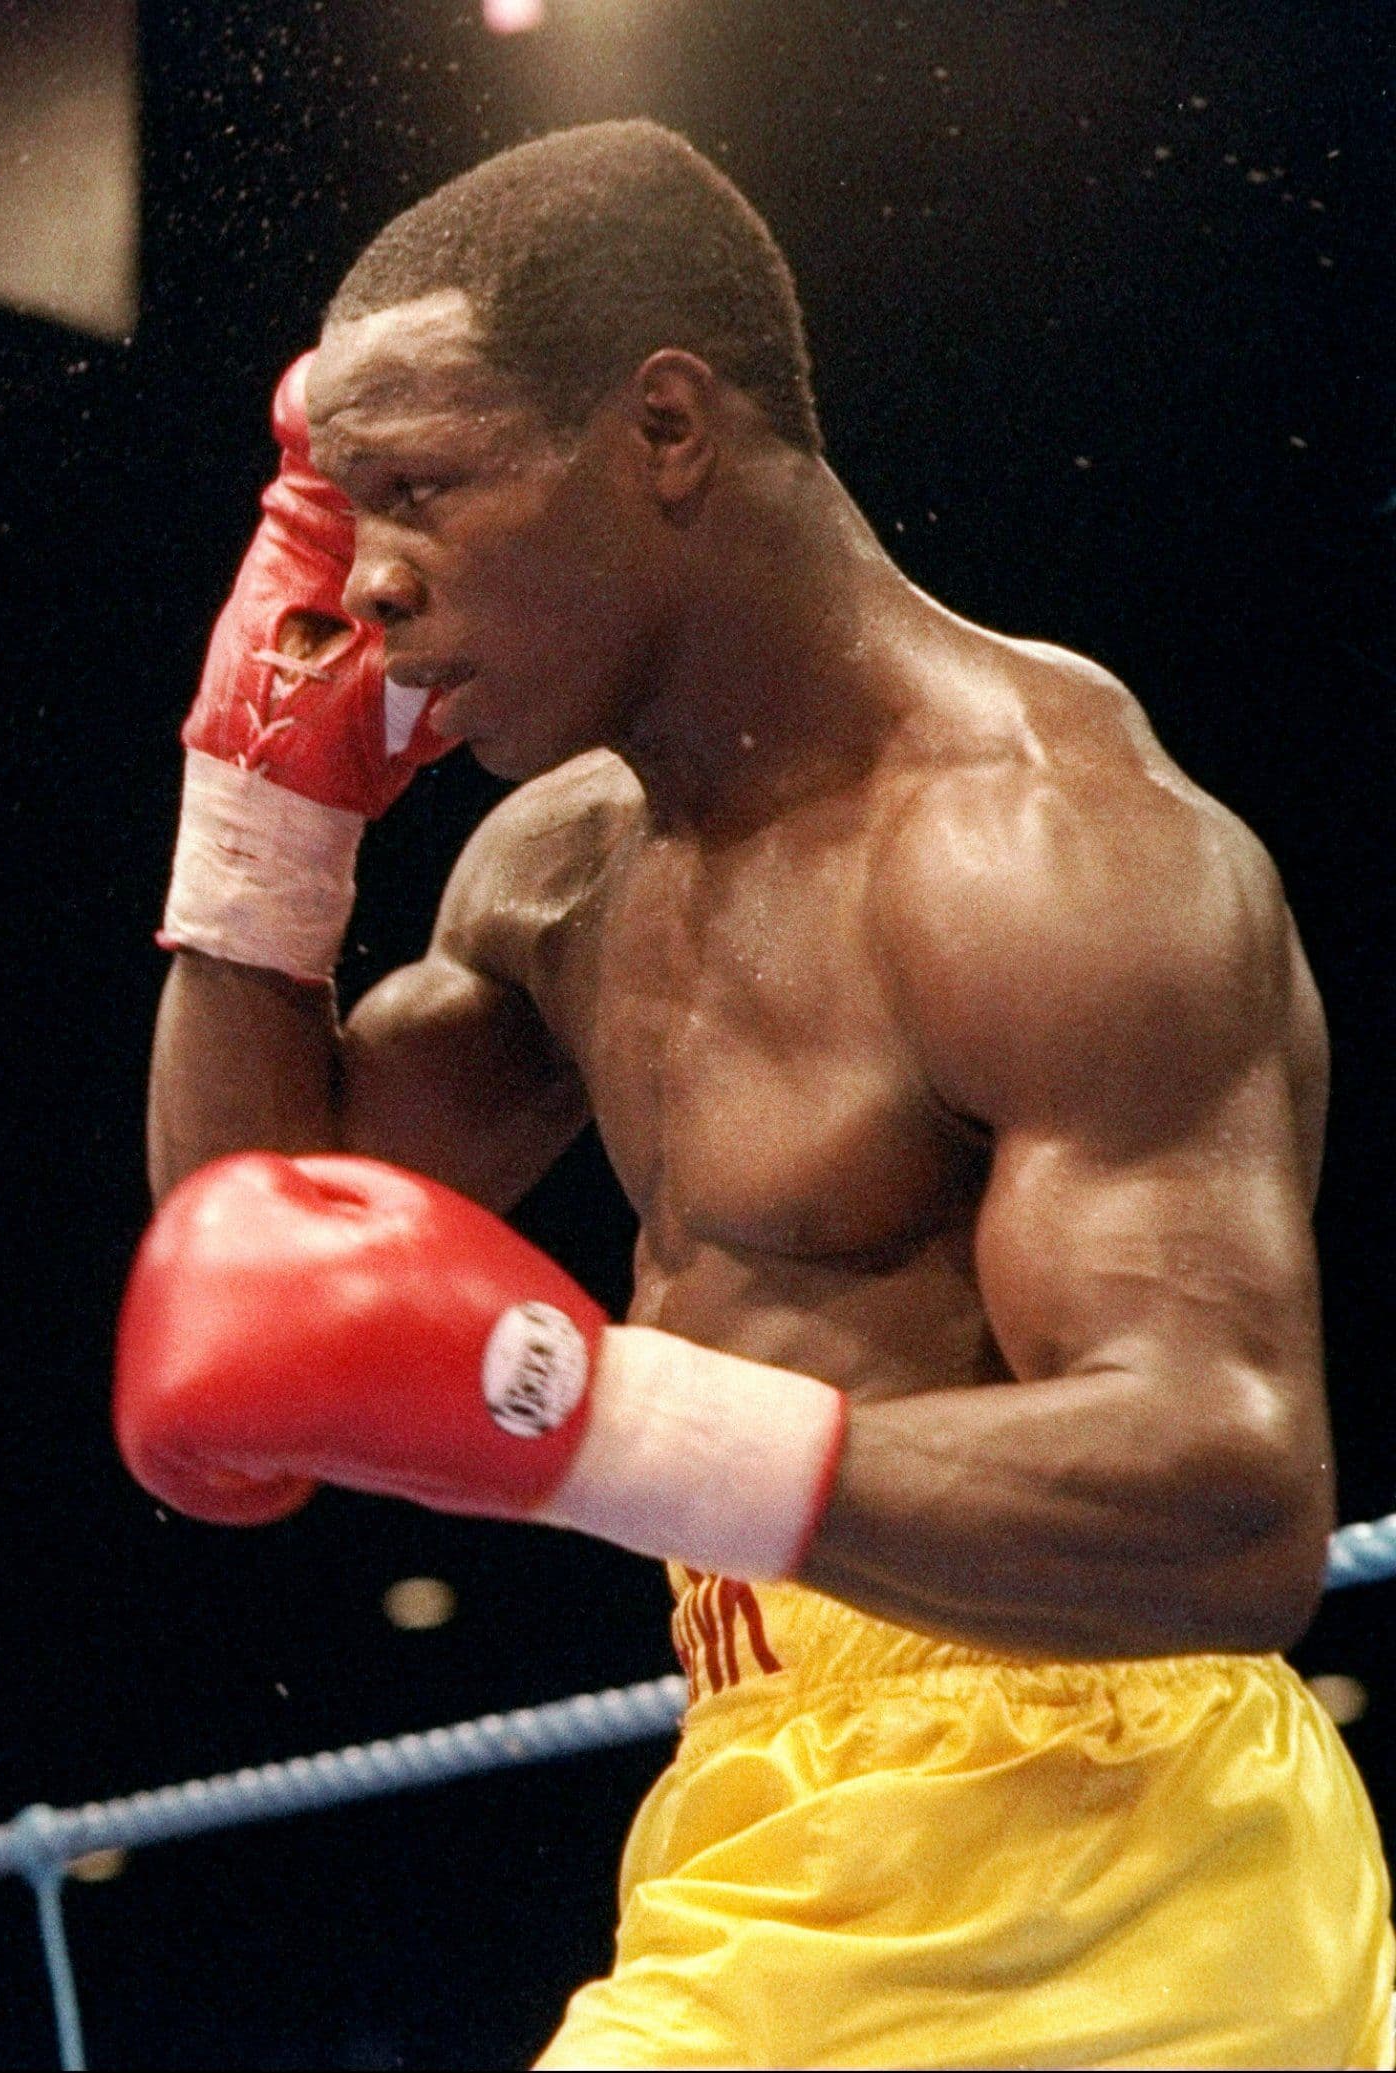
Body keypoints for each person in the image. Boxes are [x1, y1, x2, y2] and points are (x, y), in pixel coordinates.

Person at [119, 120, 1389, 2066]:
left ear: (668, 432)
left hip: (1113, 1869)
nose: (363, 585)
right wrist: (257, 819)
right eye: (338, 512)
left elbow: (1232, 1506)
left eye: (426, 491)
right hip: (759, 1818)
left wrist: (597, 1418)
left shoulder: (1032, 853)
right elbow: (247, 1262)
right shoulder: (559, 876)